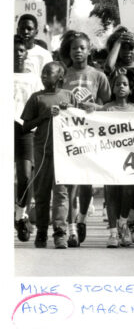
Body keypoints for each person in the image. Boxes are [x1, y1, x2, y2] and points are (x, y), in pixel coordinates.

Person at [60, 30, 111, 247]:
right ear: (69, 52)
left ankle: (81, 219)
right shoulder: (62, 74)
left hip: (91, 135)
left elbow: (110, 105)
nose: (78, 52)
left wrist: (96, 107)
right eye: (74, 48)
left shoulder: (98, 75)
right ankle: (71, 229)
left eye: (82, 48)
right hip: (68, 134)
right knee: (71, 181)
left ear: (89, 50)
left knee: (86, 183)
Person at [21, 62, 76, 248]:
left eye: (48, 73)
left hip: (64, 154)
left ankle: (60, 233)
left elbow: (83, 120)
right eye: (43, 73)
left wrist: (69, 110)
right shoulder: (37, 98)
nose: (44, 76)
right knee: (42, 193)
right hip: (43, 152)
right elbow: (26, 126)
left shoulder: (69, 96)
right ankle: (42, 233)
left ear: (60, 77)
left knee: (61, 194)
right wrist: (44, 116)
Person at [96, 71, 134, 247]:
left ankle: (123, 222)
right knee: (112, 193)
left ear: (130, 89)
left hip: (131, 157)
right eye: (117, 84)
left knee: (129, 191)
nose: (121, 87)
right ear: (113, 89)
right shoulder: (107, 108)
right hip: (111, 157)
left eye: (124, 84)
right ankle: (114, 233)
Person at [14, 35, 43, 242]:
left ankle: (20, 215)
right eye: (13, 50)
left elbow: (39, 105)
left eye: (21, 50)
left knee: (25, 176)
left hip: (25, 130)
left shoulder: (34, 79)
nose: (17, 54)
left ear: (26, 54)